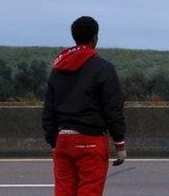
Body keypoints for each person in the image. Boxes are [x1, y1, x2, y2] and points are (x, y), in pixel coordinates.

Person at [42, 16, 126, 196]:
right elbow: (113, 108)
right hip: (91, 141)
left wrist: (54, 141)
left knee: (64, 191)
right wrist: (119, 143)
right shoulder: (103, 68)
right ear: (95, 37)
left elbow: (48, 109)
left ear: (74, 37)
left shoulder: (58, 69)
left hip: (63, 140)